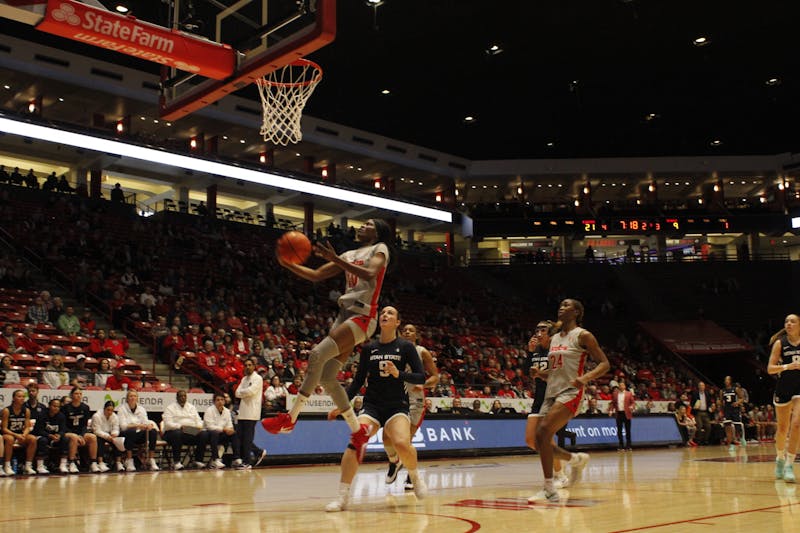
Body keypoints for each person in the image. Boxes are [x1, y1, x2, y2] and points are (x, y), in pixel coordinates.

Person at [262, 219, 395, 462]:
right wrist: (287, 263)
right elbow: (315, 275)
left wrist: (335, 259)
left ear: (378, 232)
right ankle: (358, 432)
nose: (361, 227)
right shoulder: (349, 253)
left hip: (363, 315)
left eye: (368, 224)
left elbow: (369, 273)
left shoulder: (380, 249)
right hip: (344, 314)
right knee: (327, 377)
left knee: (316, 355)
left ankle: (290, 418)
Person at [325, 306, 427, 512]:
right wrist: (341, 404)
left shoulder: (406, 347)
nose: (385, 315)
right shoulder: (369, 348)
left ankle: (415, 476)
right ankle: (342, 497)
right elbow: (357, 381)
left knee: (400, 443)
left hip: (397, 405)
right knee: (356, 441)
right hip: (372, 405)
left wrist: (398, 373)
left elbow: (421, 377)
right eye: (383, 313)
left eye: (390, 313)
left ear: (397, 322)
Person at [530, 299, 610, 503]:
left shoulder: (583, 335)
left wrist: (584, 378)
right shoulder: (555, 338)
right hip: (551, 392)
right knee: (540, 441)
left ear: (576, 312)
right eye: (560, 305)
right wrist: (541, 374)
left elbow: (604, 364)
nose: (561, 308)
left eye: (566, 306)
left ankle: (549, 488)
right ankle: (575, 460)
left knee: (542, 432)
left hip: (571, 392)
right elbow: (555, 371)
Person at [384, 322, 439, 490]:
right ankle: (394, 462)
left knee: (406, 440)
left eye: (411, 330)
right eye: (405, 330)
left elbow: (435, 377)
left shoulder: (422, 352)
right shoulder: (393, 351)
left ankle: (411, 475)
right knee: (388, 439)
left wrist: (424, 385)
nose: (407, 332)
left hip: (415, 400)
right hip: (394, 398)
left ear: (416, 335)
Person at [523, 320, 569, 488]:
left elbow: (560, 375)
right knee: (530, 440)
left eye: (543, 330)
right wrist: (529, 353)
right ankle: (563, 462)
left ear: (550, 334)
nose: (538, 332)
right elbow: (525, 372)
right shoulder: (536, 351)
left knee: (545, 438)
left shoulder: (556, 350)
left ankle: (559, 475)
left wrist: (540, 374)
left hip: (553, 397)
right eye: (537, 329)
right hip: (538, 397)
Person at [768, 314, 800, 482]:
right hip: (784, 388)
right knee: (782, 429)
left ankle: (789, 464)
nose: (788, 323)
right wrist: (788, 366)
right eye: (786, 321)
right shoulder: (780, 343)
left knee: (797, 424)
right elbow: (770, 369)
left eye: (792, 321)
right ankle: (780, 458)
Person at [162, 390, 209, 470]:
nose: (183, 397)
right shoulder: (170, 408)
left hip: (190, 430)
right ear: (177, 397)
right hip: (172, 432)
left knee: (204, 434)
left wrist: (199, 427)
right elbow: (167, 424)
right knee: (177, 433)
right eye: (181, 396)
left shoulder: (191, 407)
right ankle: (176, 462)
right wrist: (180, 426)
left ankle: (198, 461)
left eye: (184, 396)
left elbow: (198, 420)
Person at [117, 390, 160, 471]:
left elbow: (145, 422)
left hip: (139, 434)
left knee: (153, 431)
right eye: (131, 396)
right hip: (126, 434)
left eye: (134, 396)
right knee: (131, 432)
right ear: (127, 399)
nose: (133, 398)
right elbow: (123, 426)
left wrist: (148, 425)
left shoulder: (141, 409)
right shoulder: (122, 409)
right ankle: (129, 460)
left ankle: (151, 459)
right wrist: (138, 425)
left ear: (137, 398)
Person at [233, 358, 262, 469]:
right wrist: (244, 392)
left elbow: (251, 391)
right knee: (239, 437)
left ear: (254, 366)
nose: (247, 367)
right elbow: (236, 393)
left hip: (252, 412)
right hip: (243, 412)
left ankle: (247, 462)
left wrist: (243, 392)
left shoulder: (258, 378)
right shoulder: (244, 379)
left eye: (250, 365)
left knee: (247, 438)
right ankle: (258, 452)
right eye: (246, 365)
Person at [62, 387, 100, 473]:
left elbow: (84, 425)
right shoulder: (65, 408)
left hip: (80, 433)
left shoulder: (85, 407)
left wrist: (82, 435)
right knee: (74, 437)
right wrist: (75, 435)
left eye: (80, 394)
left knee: (92, 437)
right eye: (76, 394)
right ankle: (71, 463)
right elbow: (63, 425)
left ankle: (93, 463)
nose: (78, 395)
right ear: (72, 395)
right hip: (68, 432)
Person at [1, 389, 38, 475]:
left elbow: (27, 427)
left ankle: (28, 466)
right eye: (19, 396)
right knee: (9, 439)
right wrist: (16, 435)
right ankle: (7, 466)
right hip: (9, 434)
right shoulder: (7, 410)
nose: (22, 398)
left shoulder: (26, 411)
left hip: (20, 434)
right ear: (13, 398)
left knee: (32, 439)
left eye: (23, 397)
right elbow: (4, 428)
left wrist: (24, 435)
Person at [33, 398, 67, 474]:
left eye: (58, 406)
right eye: (54, 406)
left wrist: (59, 435)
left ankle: (63, 465)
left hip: (55, 437)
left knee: (65, 439)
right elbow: (38, 430)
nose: (56, 408)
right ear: (49, 406)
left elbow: (63, 429)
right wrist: (49, 435)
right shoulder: (42, 415)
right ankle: (40, 466)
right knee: (43, 440)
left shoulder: (61, 416)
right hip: (42, 436)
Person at [204, 393, 235, 469]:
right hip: (209, 434)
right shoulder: (209, 410)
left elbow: (229, 424)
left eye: (222, 400)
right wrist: (224, 429)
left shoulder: (227, 411)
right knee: (215, 433)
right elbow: (209, 426)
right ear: (214, 401)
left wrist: (230, 429)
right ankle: (215, 459)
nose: (220, 401)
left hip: (222, 434)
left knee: (235, 434)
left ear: (224, 401)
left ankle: (236, 458)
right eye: (218, 400)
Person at [90, 400, 120, 472]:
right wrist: (107, 436)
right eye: (108, 410)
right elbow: (96, 430)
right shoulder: (96, 416)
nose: (110, 412)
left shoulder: (115, 416)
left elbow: (116, 428)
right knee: (99, 440)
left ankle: (118, 462)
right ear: (104, 409)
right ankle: (100, 462)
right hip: (99, 435)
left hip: (110, 435)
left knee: (118, 440)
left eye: (112, 410)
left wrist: (114, 434)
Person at [720, 375, 744, 452]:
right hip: (727, 410)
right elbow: (721, 402)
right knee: (728, 426)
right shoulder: (722, 391)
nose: (726, 381)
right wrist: (721, 410)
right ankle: (729, 443)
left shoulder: (735, 389)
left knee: (737, 426)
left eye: (727, 380)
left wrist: (737, 402)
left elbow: (742, 398)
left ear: (730, 381)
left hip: (735, 410)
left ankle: (740, 439)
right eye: (725, 380)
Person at [609, 381, 635, 451]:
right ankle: (621, 445)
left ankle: (628, 445)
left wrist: (632, 407)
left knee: (628, 430)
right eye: (620, 385)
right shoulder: (615, 394)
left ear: (625, 386)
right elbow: (612, 403)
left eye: (622, 385)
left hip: (627, 413)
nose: (621, 386)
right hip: (619, 414)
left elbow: (633, 402)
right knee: (619, 430)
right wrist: (611, 410)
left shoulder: (629, 394)